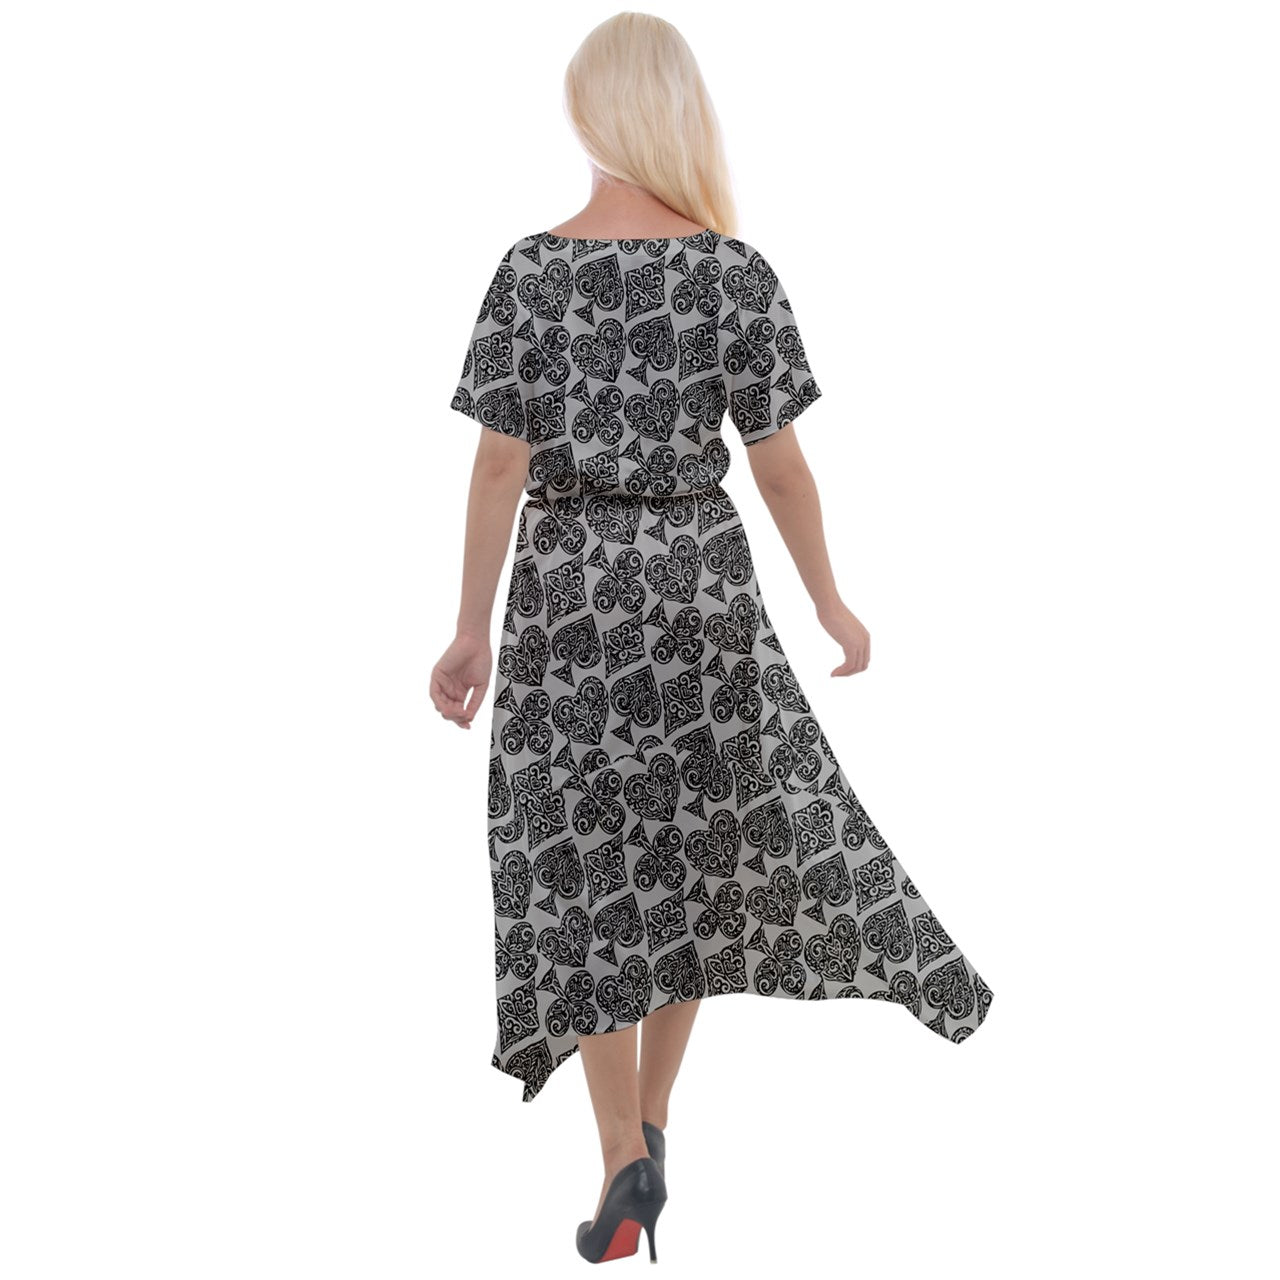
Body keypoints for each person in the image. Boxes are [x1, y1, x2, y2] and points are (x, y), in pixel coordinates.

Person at [431, 12, 995, 1264]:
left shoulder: (530, 272)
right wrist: (829, 600)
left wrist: (468, 628)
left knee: (584, 859)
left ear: (589, 116)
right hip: (697, 581)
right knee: (694, 849)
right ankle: (652, 1121)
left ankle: (619, 1150)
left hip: (570, 590)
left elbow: (497, 465)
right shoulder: (733, 272)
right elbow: (780, 466)